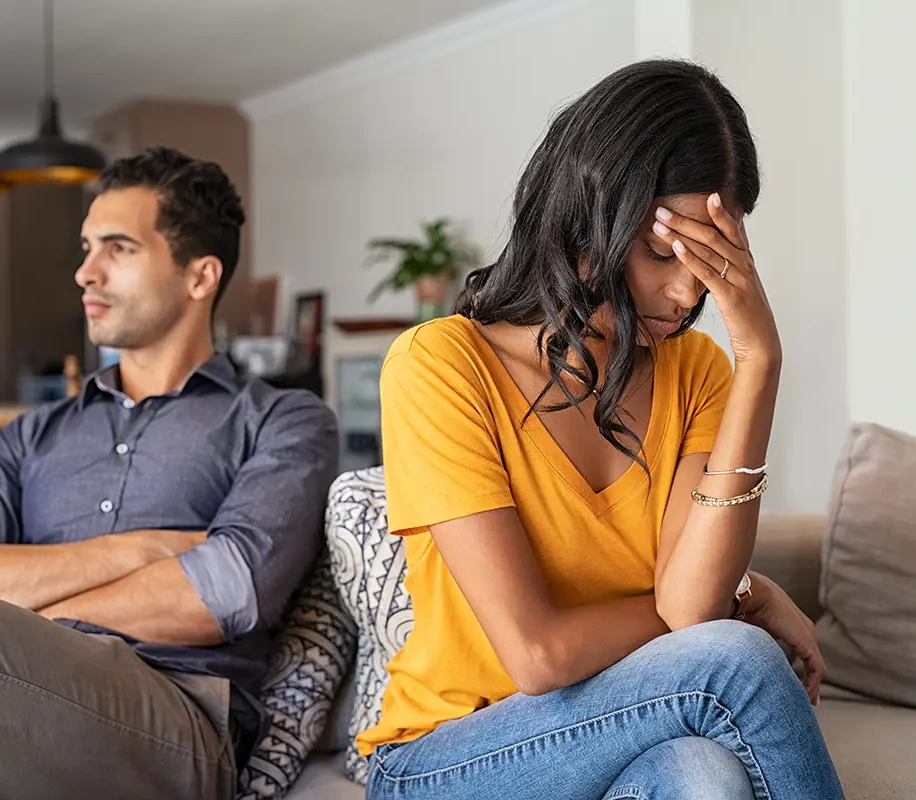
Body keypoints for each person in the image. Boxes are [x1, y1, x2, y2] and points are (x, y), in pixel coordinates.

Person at [360, 60, 844, 799]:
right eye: (661, 253)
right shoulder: (440, 367)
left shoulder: (701, 370)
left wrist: (761, 362)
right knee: (737, 661)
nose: (687, 293)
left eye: (711, 262)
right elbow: (538, 655)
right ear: (586, 216)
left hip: (613, 734)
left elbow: (688, 609)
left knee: (705, 773)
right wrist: (737, 601)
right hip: (447, 760)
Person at [0, 147, 339, 800]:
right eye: (87, 248)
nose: (85, 272)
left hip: (173, 722)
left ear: (200, 277)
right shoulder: (33, 435)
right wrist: (136, 551)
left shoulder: (283, 419)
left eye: (118, 248)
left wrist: (14, 617)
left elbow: (224, 590)